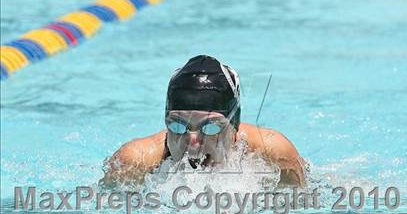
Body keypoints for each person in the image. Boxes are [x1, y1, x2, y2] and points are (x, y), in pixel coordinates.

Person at [101, 55, 306, 188]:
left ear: (234, 125)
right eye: (178, 125)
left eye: (209, 127)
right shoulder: (134, 163)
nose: (193, 141)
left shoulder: (275, 154)